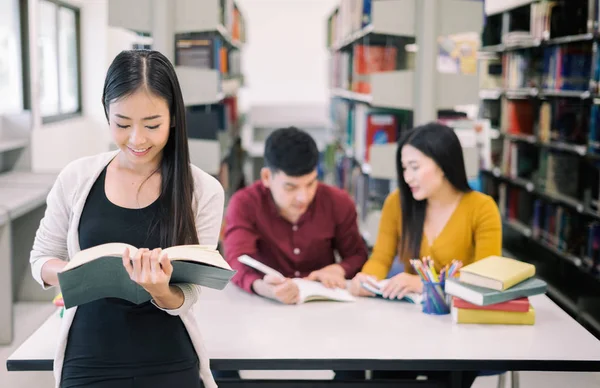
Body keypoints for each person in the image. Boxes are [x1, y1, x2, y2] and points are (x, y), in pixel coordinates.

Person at [29, 50, 224, 388]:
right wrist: (75, 274)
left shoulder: (203, 191)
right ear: (106, 114)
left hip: (169, 358)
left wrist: (161, 290)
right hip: (89, 357)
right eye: (122, 124)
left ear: (174, 118)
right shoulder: (77, 177)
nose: (137, 139)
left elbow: (190, 292)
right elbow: (40, 259)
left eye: (152, 125)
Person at [349, 122, 502, 387]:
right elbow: (381, 258)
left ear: (442, 164)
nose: (408, 177)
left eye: (415, 167)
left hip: (459, 327)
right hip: (409, 325)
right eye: (405, 168)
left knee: (446, 377)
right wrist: (365, 278)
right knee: (384, 372)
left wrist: (425, 285)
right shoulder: (397, 203)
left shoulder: (481, 208)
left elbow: (485, 277)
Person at [221, 126, 368, 380]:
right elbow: (236, 260)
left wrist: (339, 268)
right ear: (267, 177)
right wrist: (265, 288)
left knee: (354, 368)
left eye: (311, 184)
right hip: (261, 311)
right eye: (290, 187)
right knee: (221, 358)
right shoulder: (244, 203)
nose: (303, 196)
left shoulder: (338, 201)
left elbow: (357, 255)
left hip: (322, 315)